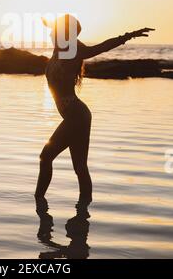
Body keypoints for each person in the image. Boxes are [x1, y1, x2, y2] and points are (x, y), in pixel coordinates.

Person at [35, 14, 154, 202]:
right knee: (80, 168)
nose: (50, 33)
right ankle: (84, 214)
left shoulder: (74, 50)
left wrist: (129, 35)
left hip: (76, 115)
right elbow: (51, 26)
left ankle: (39, 204)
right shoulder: (58, 50)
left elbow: (102, 47)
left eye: (54, 30)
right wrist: (47, 22)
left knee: (46, 156)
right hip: (76, 116)